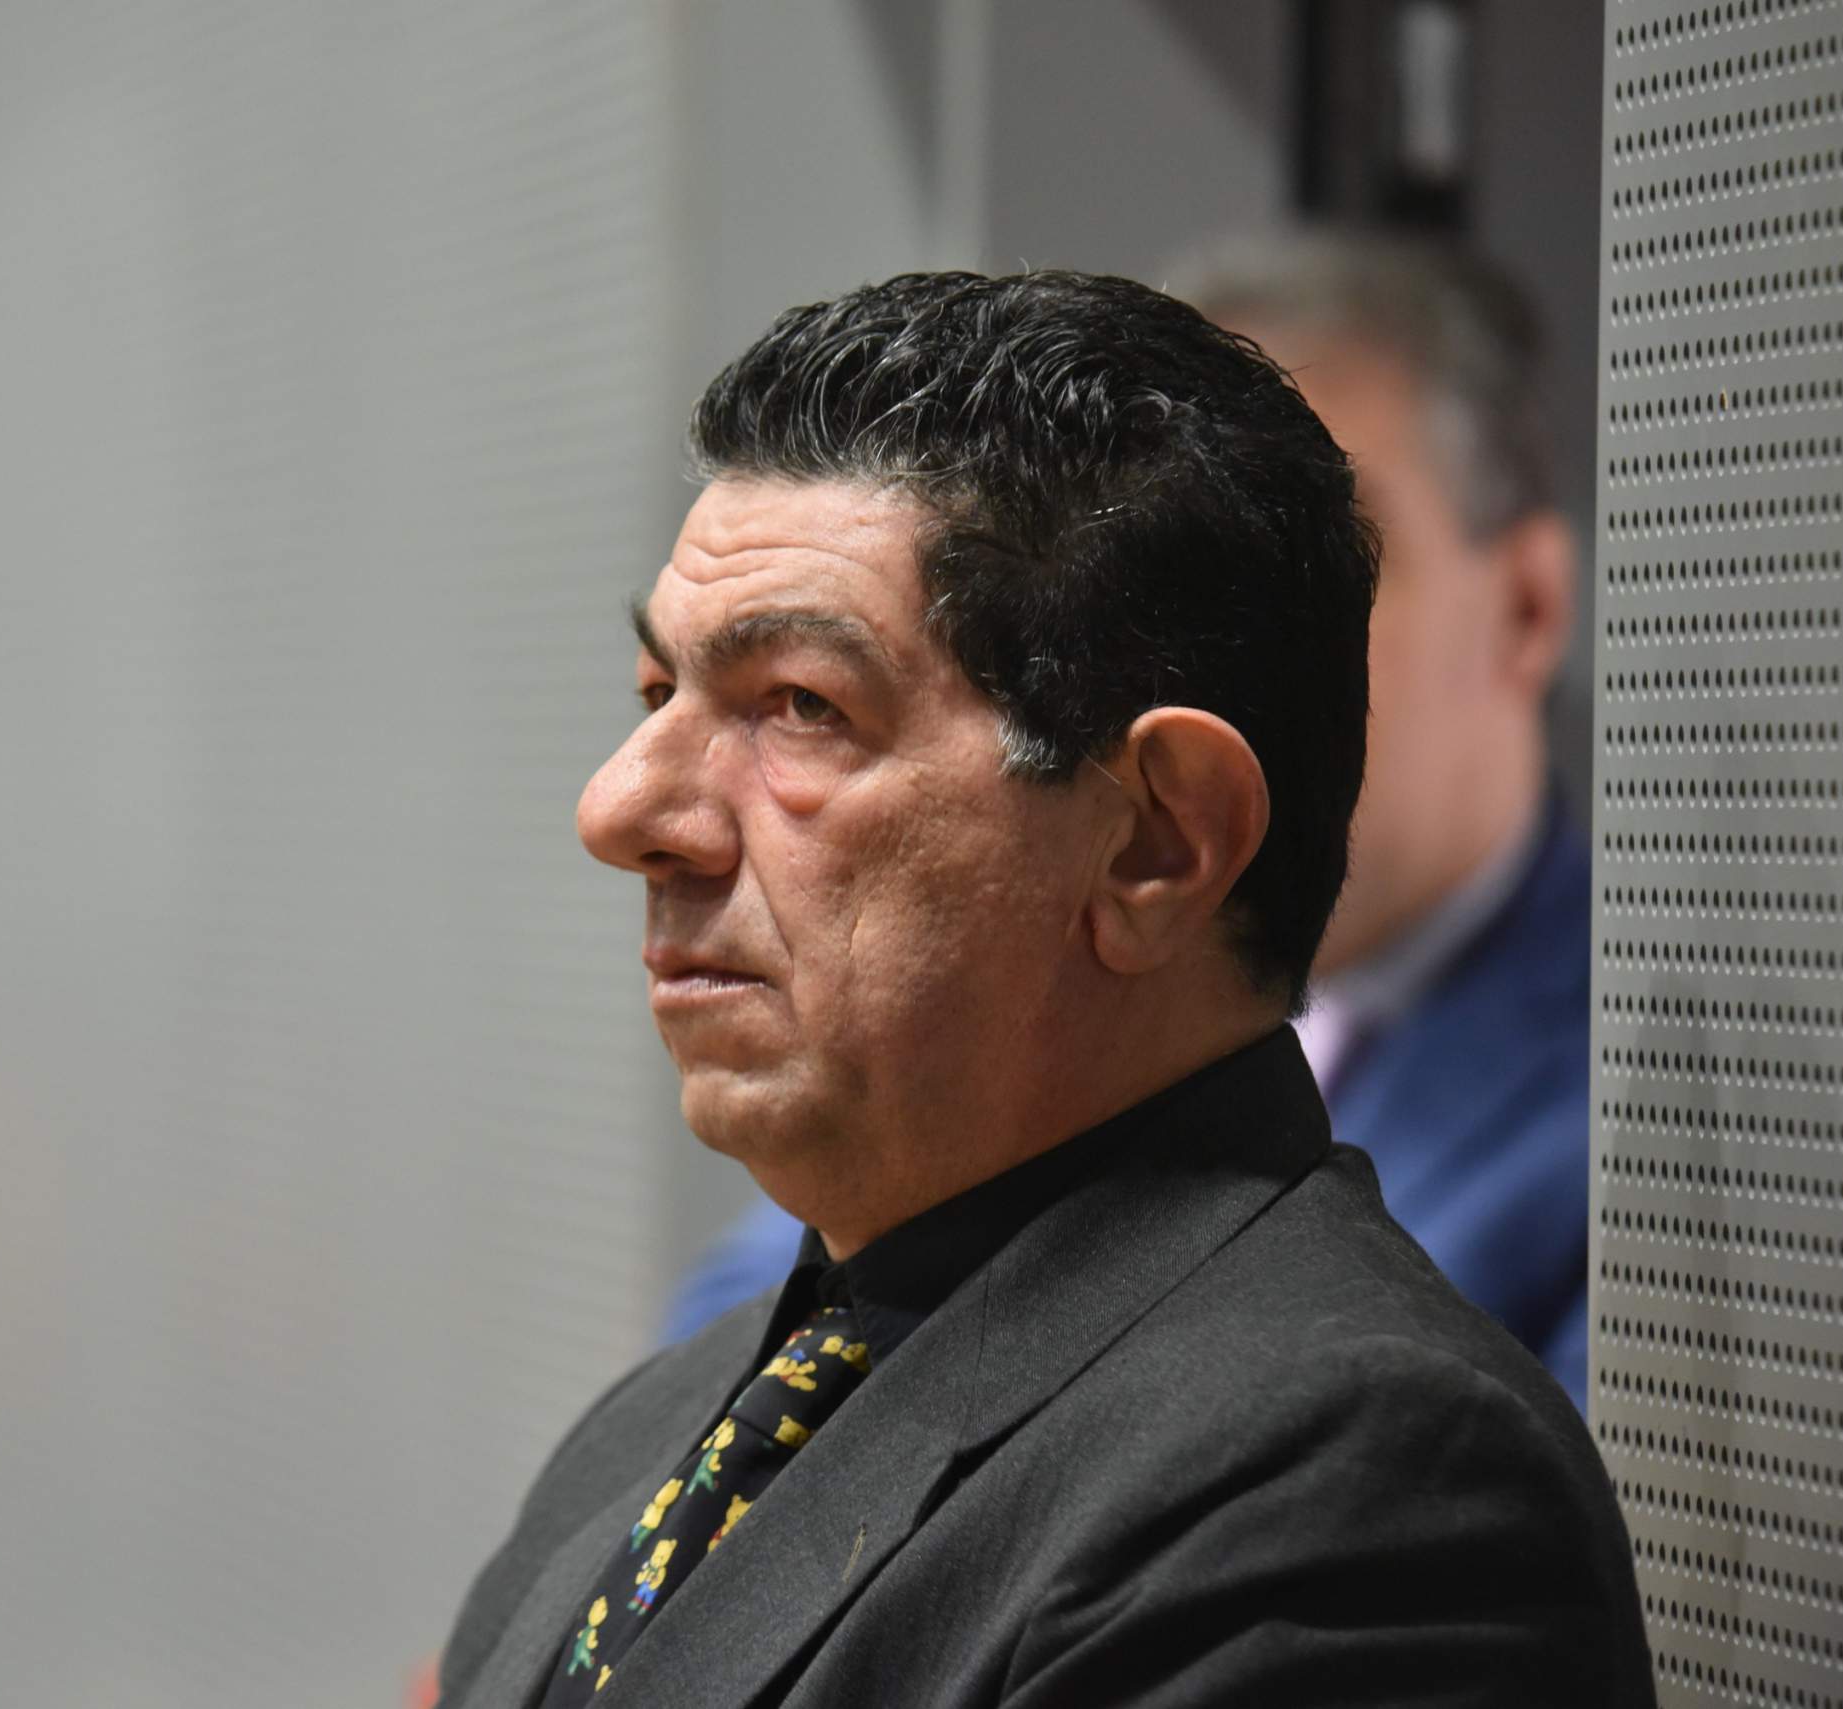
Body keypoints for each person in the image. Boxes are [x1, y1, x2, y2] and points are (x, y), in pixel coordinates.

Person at [437, 270, 1649, 1707]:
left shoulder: (1354, 1490)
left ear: (1155, 841)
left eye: (800, 706)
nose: (622, 809)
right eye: (660, 698)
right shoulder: (654, 1425)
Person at [658, 233, 1594, 1412]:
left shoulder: (1637, 1118)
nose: (1220, 658)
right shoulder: (983, 1030)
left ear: (1527, 606)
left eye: (1335, 577)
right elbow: (737, 1362)